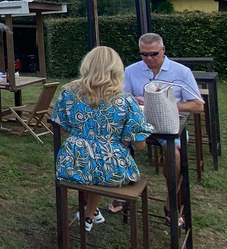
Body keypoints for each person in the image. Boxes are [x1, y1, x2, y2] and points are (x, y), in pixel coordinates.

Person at [53, 46, 153, 232]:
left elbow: (63, 126)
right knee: (100, 169)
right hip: (111, 167)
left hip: (71, 163)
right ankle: (88, 213)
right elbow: (140, 145)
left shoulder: (67, 93)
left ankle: (89, 212)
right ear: (116, 69)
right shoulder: (125, 100)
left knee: (90, 168)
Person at [123, 32, 203, 224]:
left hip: (167, 125)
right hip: (140, 125)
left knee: (174, 153)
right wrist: (133, 100)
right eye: (144, 54)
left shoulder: (181, 72)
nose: (148, 59)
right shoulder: (132, 70)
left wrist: (167, 104)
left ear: (163, 50)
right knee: (115, 144)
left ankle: (171, 201)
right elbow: (122, 99)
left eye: (153, 54)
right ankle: (122, 192)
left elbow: (198, 105)